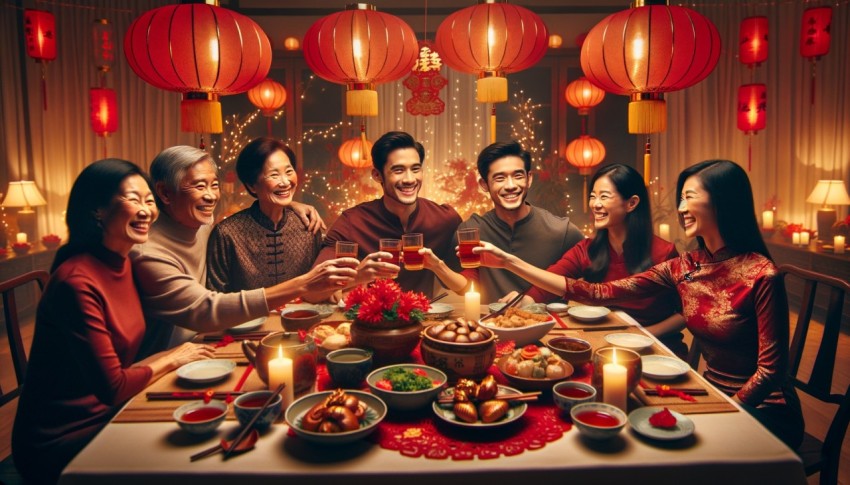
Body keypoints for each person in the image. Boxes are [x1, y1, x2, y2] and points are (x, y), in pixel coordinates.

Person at [476, 159, 804, 448]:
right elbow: (596, 292)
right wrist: (509, 263)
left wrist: (728, 410)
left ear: (722, 203)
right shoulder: (686, 266)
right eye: (681, 198)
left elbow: (771, 372)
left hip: (762, 410)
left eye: (689, 197)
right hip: (709, 394)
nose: (680, 207)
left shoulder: (761, 273)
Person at [13, 159, 214, 484]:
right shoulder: (76, 282)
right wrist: (171, 357)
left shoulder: (126, 263)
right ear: (98, 210)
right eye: (134, 199)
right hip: (63, 439)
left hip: (114, 412)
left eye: (149, 200)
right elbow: (113, 387)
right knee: (193, 457)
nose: (147, 209)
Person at [132, 146, 365, 358]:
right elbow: (207, 310)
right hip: (169, 355)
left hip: (219, 341)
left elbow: (272, 201)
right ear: (164, 193)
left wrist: (289, 204)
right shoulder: (151, 250)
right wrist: (303, 284)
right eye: (199, 186)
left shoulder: (199, 222)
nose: (211, 196)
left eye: (214, 185)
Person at [519, 164, 687, 355]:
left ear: (631, 203)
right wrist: (525, 300)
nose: (595, 204)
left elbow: (686, 312)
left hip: (657, 349)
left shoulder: (664, 252)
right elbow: (548, 281)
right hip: (607, 347)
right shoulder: (587, 249)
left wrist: (646, 334)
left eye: (604, 196)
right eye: (593, 196)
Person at [420, 140, 584, 303]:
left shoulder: (562, 231)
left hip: (551, 328)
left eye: (518, 176)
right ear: (484, 185)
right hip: (492, 326)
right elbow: (469, 283)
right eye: (500, 178)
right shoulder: (471, 229)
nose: (511, 185)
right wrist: (437, 266)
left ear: (529, 179)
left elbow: (589, 287)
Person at [313, 131, 462, 298]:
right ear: (377, 175)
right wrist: (358, 277)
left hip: (422, 320)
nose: (409, 179)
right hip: (366, 320)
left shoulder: (445, 219)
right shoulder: (352, 221)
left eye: (415, 169)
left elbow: (466, 286)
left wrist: (438, 266)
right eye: (398, 170)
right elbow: (312, 292)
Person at [207, 138, 322, 292]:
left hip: (301, 315)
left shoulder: (308, 226)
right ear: (252, 186)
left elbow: (319, 287)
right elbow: (216, 298)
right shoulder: (226, 234)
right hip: (247, 317)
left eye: (289, 171)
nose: (285, 182)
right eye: (274, 175)